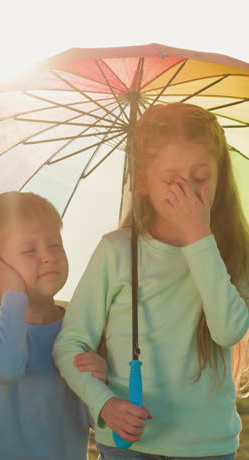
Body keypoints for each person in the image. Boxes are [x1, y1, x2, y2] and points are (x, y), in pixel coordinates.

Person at [53, 103, 249, 460]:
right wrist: (105, 404)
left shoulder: (233, 252)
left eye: (200, 177)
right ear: (141, 181)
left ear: (221, 177)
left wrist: (198, 237)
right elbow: (71, 346)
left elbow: (229, 331)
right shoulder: (116, 251)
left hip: (207, 446)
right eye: (171, 178)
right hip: (128, 444)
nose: (186, 189)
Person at [0, 191, 107, 460]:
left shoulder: (82, 332)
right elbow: (4, 369)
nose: (48, 256)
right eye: (29, 250)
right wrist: (13, 294)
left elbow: (97, 421)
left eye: (55, 245)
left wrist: (101, 381)